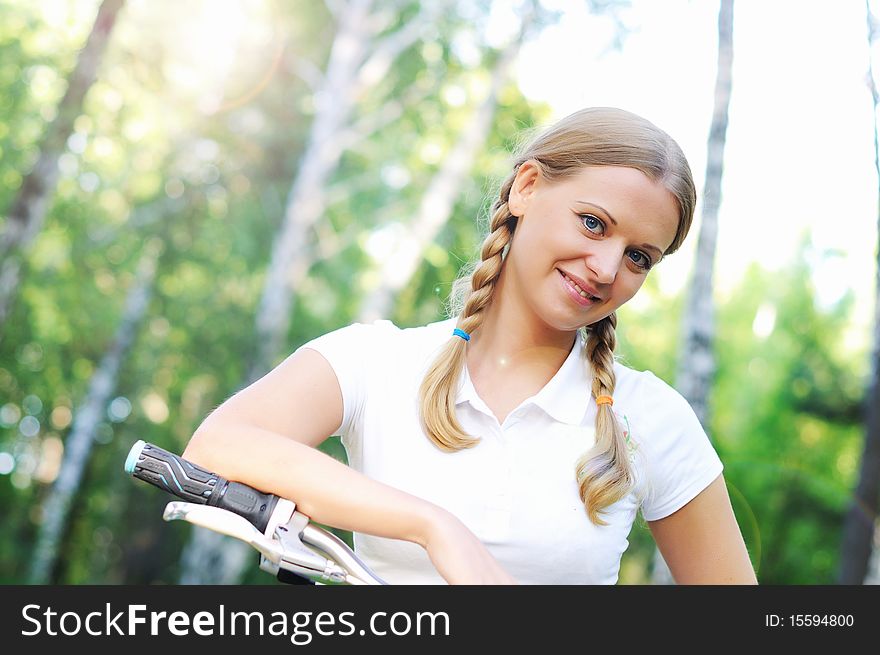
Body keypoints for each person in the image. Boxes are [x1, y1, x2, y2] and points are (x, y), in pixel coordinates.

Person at [183, 106, 758, 585]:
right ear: (527, 188)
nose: (608, 268)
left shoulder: (651, 418)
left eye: (638, 257)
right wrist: (435, 527)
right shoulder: (377, 362)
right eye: (593, 223)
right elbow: (218, 444)